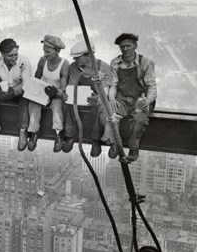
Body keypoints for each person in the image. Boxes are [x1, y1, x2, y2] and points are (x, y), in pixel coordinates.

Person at [102, 33, 157, 162]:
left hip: (140, 99)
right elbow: (113, 84)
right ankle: (115, 143)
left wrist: (148, 101)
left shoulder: (145, 62)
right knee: (111, 114)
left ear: (135, 46)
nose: (125, 49)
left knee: (139, 119)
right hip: (122, 99)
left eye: (128, 46)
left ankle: (133, 147)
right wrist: (112, 99)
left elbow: (151, 86)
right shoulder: (115, 62)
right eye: (122, 47)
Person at [62, 40, 113, 156]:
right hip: (80, 96)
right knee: (68, 103)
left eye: (77, 57)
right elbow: (72, 86)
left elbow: (105, 92)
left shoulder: (104, 67)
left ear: (88, 56)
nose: (74, 60)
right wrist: (68, 95)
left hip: (97, 97)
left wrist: (98, 99)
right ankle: (70, 135)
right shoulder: (74, 67)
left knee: (99, 107)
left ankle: (95, 140)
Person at [0, 38, 32, 148]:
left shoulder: (24, 61)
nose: (14, 58)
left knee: (25, 99)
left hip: (19, 90)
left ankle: (23, 131)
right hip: (4, 89)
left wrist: (14, 91)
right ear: (2, 54)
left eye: (15, 54)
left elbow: (27, 83)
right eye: (10, 56)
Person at [27, 35, 69, 152]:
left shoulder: (64, 65)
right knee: (34, 104)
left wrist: (56, 92)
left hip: (55, 93)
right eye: (44, 51)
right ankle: (34, 131)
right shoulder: (42, 60)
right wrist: (33, 90)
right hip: (43, 91)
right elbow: (37, 78)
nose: (45, 54)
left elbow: (64, 87)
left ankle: (58, 133)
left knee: (56, 107)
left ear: (57, 51)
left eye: (48, 52)